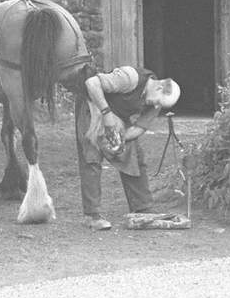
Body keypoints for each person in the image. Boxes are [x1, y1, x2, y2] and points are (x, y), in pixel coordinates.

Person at [75, 65, 181, 230]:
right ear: (159, 87)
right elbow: (91, 83)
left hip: (115, 116)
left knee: (134, 156)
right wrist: (106, 114)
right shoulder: (130, 77)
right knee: (91, 157)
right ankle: (92, 215)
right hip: (92, 105)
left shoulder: (156, 103)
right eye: (157, 101)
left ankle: (143, 208)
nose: (155, 105)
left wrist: (119, 140)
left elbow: (139, 128)